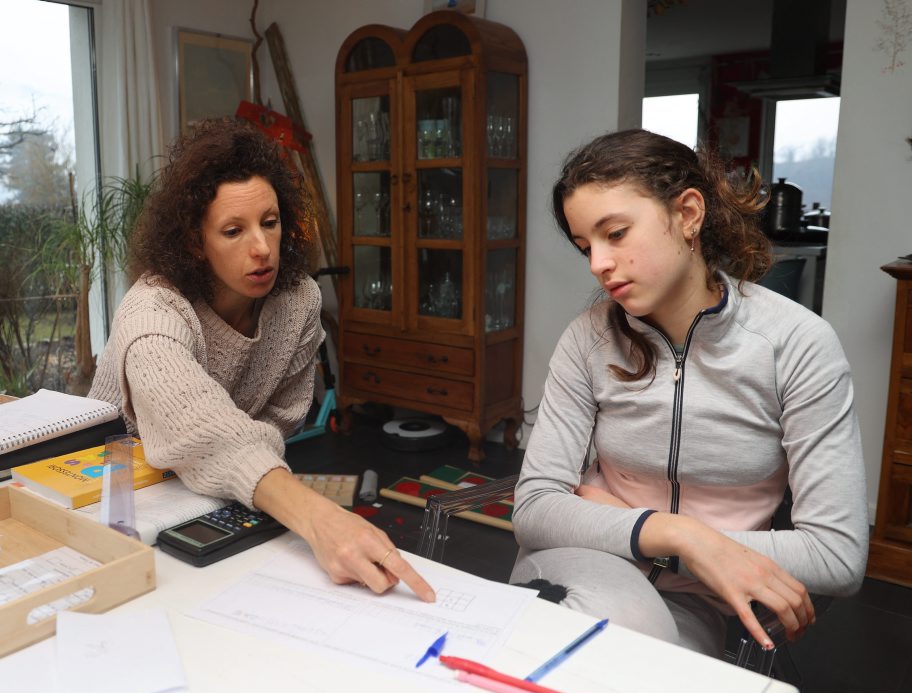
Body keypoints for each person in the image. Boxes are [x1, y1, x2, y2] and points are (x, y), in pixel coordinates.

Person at [509, 129, 867, 658]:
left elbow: (836, 556)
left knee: (633, 668)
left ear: (688, 214)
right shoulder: (588, 339)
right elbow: (536, 508)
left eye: (616, 234)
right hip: (582, 562)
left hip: (699, 600)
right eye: (586, 247)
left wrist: (683, 549)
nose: (598, 263)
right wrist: (682, 536)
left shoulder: (796, 345)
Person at [89, 117, 434, 602]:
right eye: (233, 231)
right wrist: (319, 517)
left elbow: (279, 421)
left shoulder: (298, 301)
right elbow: (196, 425)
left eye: (269, 223)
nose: (262, 248)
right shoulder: (153, 310)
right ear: (194, 242)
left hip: (215, 497)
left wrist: (236, 457)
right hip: (116, 505)